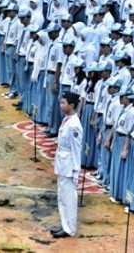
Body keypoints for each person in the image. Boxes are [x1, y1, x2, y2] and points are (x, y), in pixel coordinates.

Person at [50, 91, 83, 238]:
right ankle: (65, 224)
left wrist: (76, 171)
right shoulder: (67, 120)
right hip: (62, 163)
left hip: (69, 166)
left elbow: (76, 150)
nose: (61, 105)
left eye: (64, 103)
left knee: (69, 198)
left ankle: (70, 228)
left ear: (72, 105)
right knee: (62, 197)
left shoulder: (74, 125)